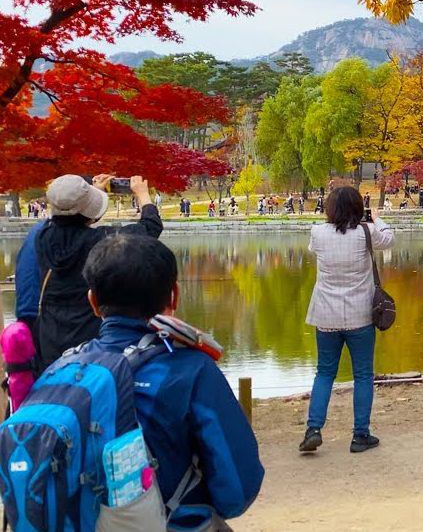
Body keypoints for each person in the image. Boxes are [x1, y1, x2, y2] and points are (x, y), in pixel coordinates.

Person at [82, 234, 264, 523]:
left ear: (93, 302)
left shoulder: (62, 368)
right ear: (174, 296)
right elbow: (237, 489)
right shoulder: (191, 370)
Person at [13, 174, 163, 372]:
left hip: (49, 335)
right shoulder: (99, 241)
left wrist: (86, 197)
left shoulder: (42, 235)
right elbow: (151, 228)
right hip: (88, 335)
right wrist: (142, 195)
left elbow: (71, 221)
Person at [301, 186, 395, 454]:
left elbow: (313, 249)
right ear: (357, 207)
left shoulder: (318, 233)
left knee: (324, 372)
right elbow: (390, 239)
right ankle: (360, 435)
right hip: (360, 315)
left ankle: (313, 428)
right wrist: (377, 219)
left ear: (330, 208)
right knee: (363, 375)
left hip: (326, 316)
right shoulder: (366, 232)